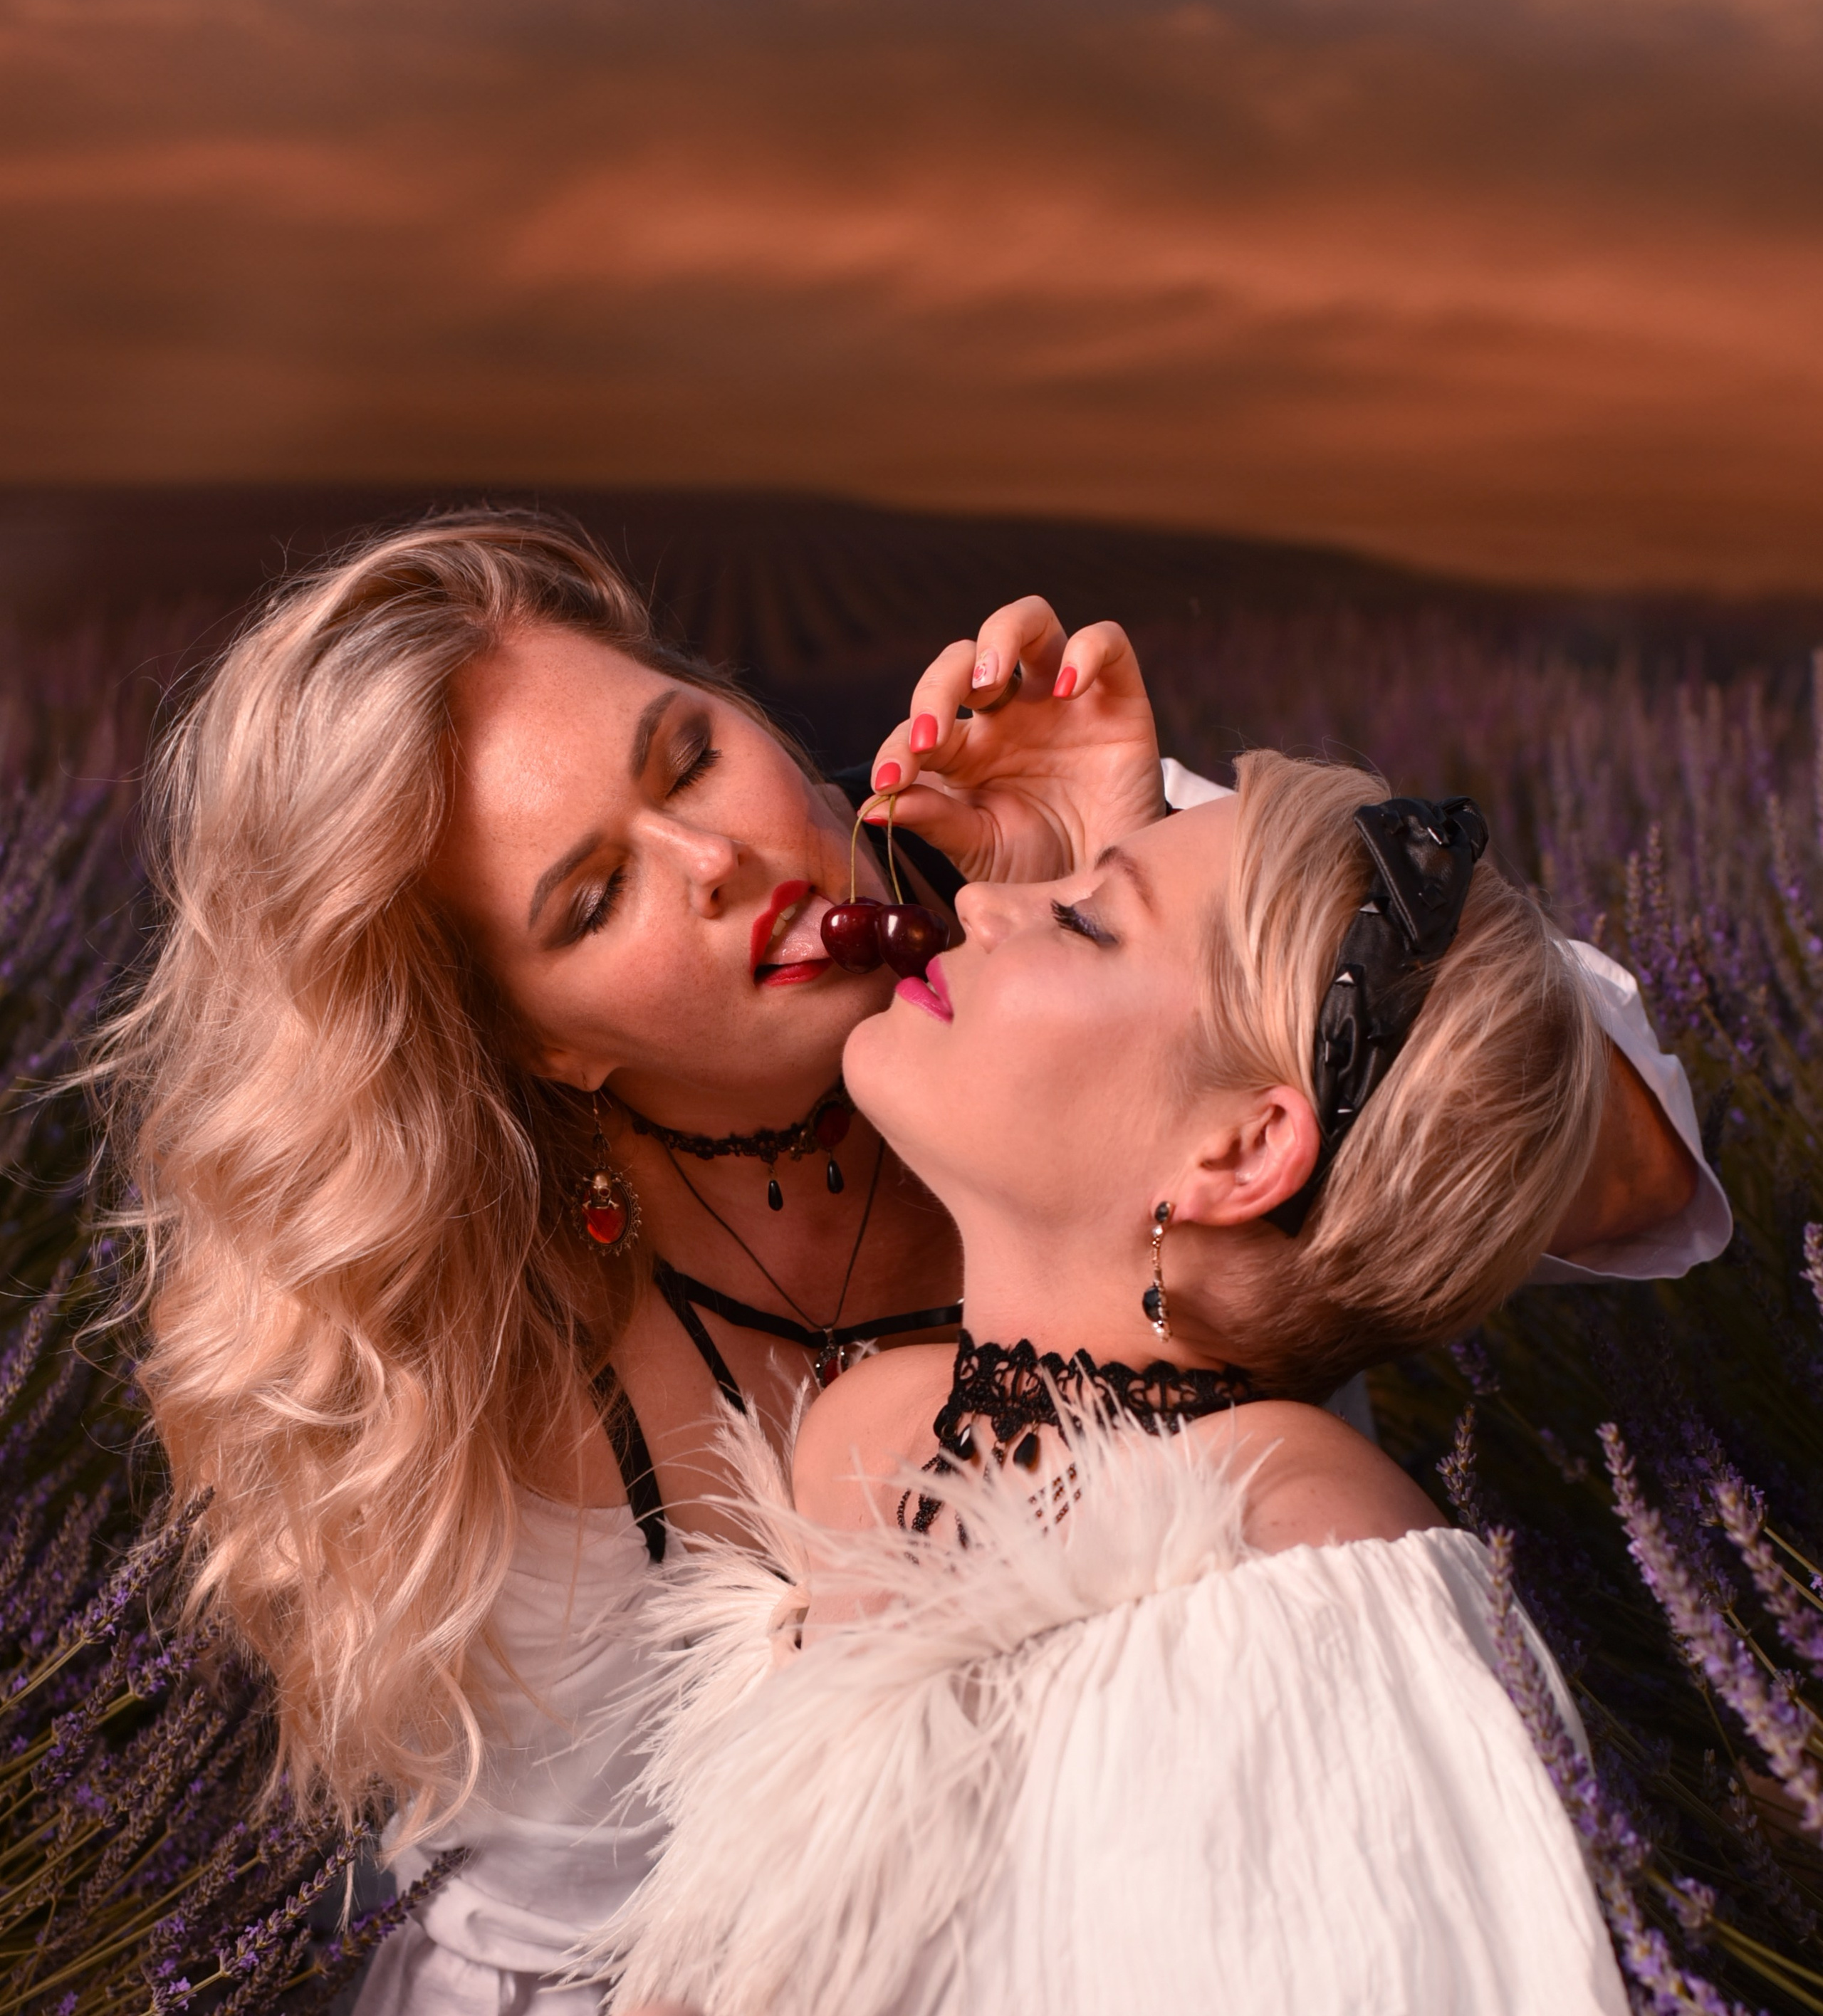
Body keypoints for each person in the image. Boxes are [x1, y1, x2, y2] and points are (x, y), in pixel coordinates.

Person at [92, 513, 1718, 2015]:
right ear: (537, 1045)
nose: (715, 856)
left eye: (689, 755)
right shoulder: (491, 1313)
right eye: (593, 896)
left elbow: (1597, 1157)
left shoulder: (1043, 931)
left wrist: (1126, 859)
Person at [589, 761, 1638, 2016]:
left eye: (1082, 918)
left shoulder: (1308, 1559)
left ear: (1244, 1149)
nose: (983, 906)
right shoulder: (857, 1437)